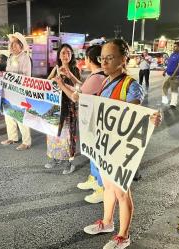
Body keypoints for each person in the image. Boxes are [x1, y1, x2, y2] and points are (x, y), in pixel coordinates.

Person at [82, 39, 161, 249]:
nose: (105, 62)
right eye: (102, 58)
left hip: (121, 149)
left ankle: (123, 235)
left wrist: (149, 119)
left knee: (122, 192)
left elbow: (134, 115)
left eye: (110, 57)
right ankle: (107, 223)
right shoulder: (105, 81)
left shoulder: (130, 85)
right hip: (105, 145)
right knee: (108, 186)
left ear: (123, 59)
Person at [54, 45, 106, 201]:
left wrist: (62, 84)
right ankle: (94, 179)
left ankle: (101, 187)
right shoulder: (96, 75)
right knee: (92, 151)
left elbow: (76, 96)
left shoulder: (97, 77)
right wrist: (68, 77)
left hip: (95, 119)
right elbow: (82, 87)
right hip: (93, 118)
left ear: (90, 59)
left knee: (96, 153)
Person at [45, 43, 80, 175]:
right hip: (54, 107)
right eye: (63, 53)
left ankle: (69, 162)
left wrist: (68, 76)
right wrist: (52, 78)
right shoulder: (55, 69)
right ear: (59, 55)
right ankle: (55, 158)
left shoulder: (74, 70)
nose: (66, 55)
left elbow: (79, 87)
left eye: (68, 53)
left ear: (72, 55)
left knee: (68, 135)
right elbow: (46, 84)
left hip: (68, 107)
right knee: (53, 133)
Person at [0, 32, 32, 151]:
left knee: (20, 116)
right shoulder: (10, 57)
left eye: (15, 44)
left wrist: (12, 77)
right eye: (11, 44)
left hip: (19, 92)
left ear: (21, 46)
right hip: (9, 91)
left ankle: (26, 142)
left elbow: (26, 76)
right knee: (8, 115)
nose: (12, 46)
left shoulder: (25, 58)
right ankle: (12, 137)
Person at [162, 41, 179, 109]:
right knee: (164, 87)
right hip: (168, 74)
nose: (173, 48)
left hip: (175, 76)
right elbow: (169, 64)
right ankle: (165, 100)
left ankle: (173, 103)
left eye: (175, 46)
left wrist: (173, 75)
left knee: (174, 90)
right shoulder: (172, 54)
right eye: (173, 46)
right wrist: (165, 71)